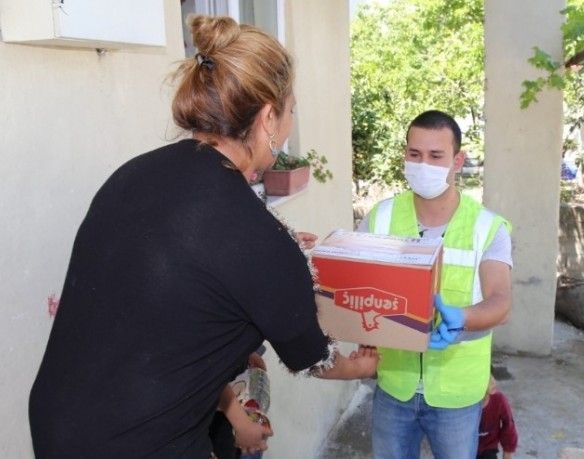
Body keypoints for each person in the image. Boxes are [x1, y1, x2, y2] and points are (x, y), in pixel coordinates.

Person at [28, 15, 377, 458]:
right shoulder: (256, 238)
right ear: (269, 115)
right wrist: (359, 367)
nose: (289, 125)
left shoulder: (134, 175)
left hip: (58, 424)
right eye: (291, 110)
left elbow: (180, 282)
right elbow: (313, 356)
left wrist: (274, 253)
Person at [358, 110, 513, 458]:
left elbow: (501, 301)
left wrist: (464, 317)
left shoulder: (487, 227)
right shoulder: (379, 218)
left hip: (457, 395)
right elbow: (356, 286)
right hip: (394, 386)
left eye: (435, 156)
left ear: (457, 161)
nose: (423, 164)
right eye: (415, 154)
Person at [477, 369, 518, 459]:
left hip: (488, 447)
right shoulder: (466, 404)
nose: (493, 381)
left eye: (491, 376)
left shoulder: (499, 399)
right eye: (487, 378)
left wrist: (508, 451)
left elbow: (508, 424)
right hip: (466, 446)